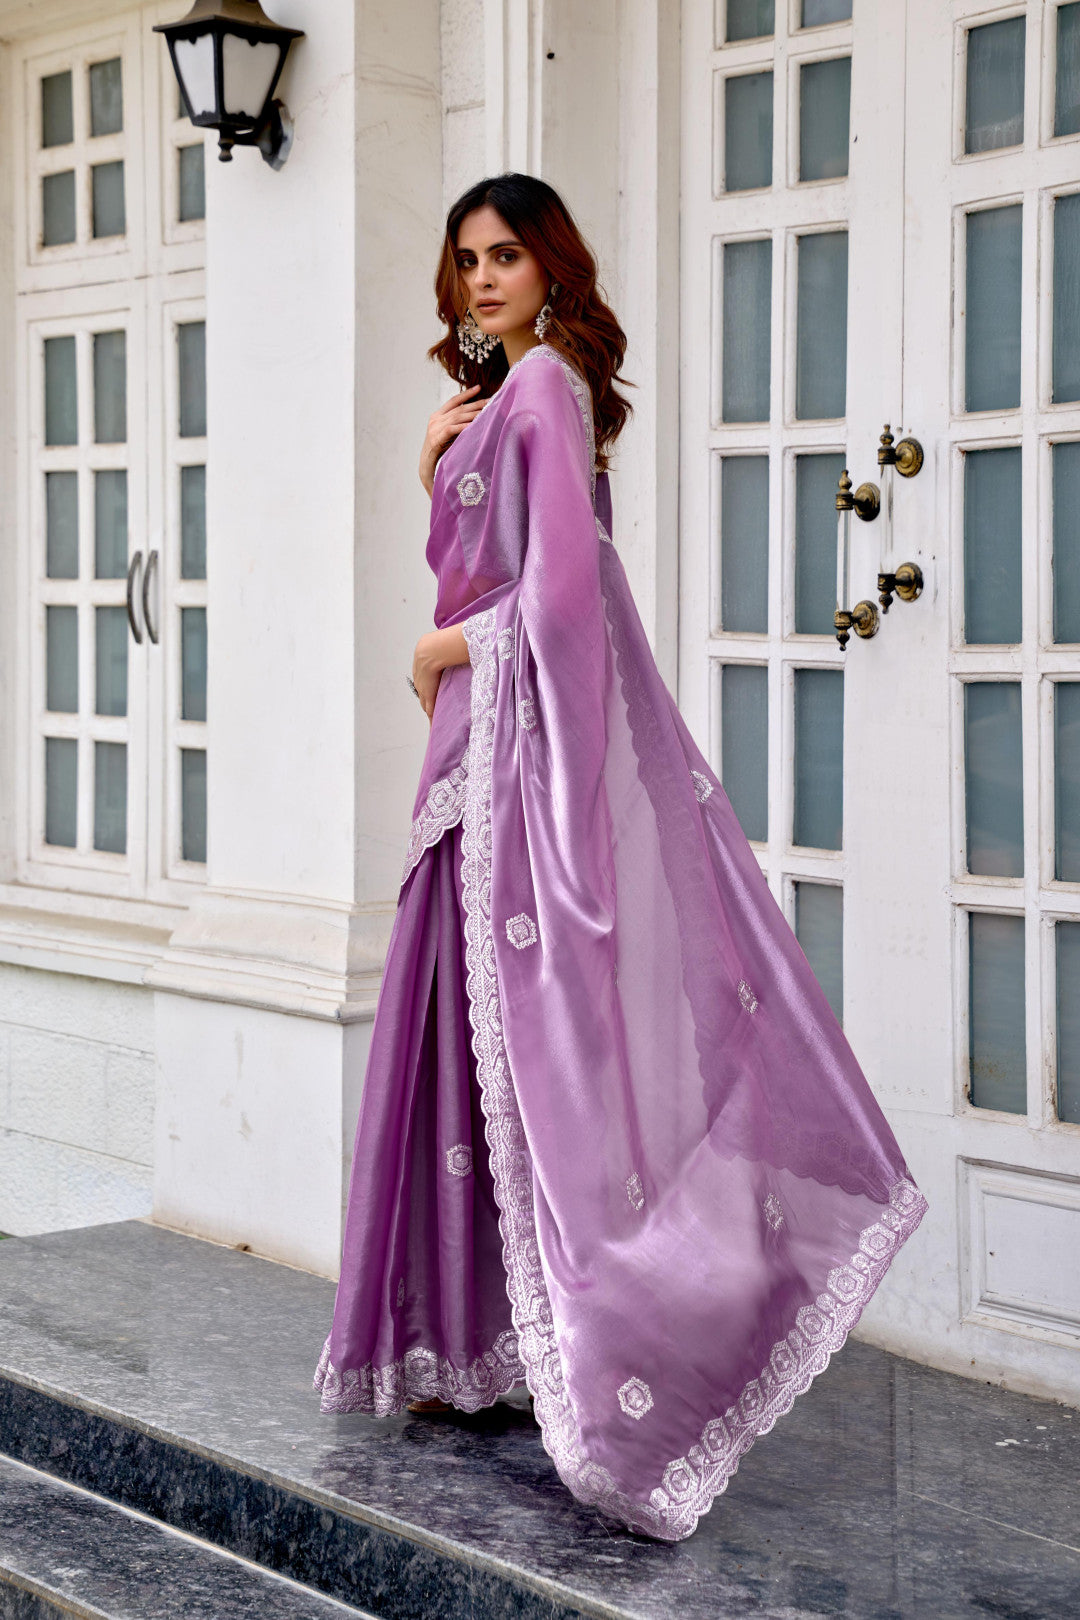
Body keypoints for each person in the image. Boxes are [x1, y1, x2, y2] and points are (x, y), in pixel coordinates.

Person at [313, 173, 928, 1542]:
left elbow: (565, 595)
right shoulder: (509, 396)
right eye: (466, 258)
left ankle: (628, 1332)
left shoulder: (545, 385)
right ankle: (486, 1346)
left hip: (499, 751)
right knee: (471, 1047)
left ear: (552, 267)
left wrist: (442, 648)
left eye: (506, 255)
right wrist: (432, 467)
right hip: (475, 752)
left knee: (529, 1053)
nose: (482, 278)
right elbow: (493, 557)